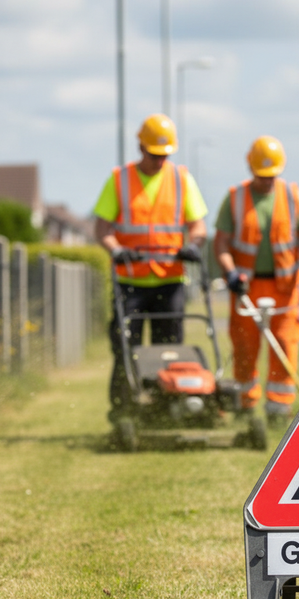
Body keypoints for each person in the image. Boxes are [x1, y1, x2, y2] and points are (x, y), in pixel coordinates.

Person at [94, 113, 208, 420]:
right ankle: (123, 410)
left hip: (169, 281)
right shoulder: (119, 180)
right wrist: (117, 250)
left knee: (168, 348)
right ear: (140, 147)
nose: (159, 160)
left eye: (164, 155)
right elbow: (102, 229)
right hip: (130, 283)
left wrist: (192, 246)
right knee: (124, 348)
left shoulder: (181, 179)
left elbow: (198, 227)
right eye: (154, 154)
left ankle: (164, 409)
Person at [213, 135, 299, 425]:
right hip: (245, 285)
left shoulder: (293, 196)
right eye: (262, 175)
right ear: (251, 169)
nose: (267, 181)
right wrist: (230, 270)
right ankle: (246, 405)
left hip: (285, 287)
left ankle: (278, 408)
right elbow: (221, 242)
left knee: (284, 343)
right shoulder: (235, 197)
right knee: (245, 345)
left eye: (272, 175)